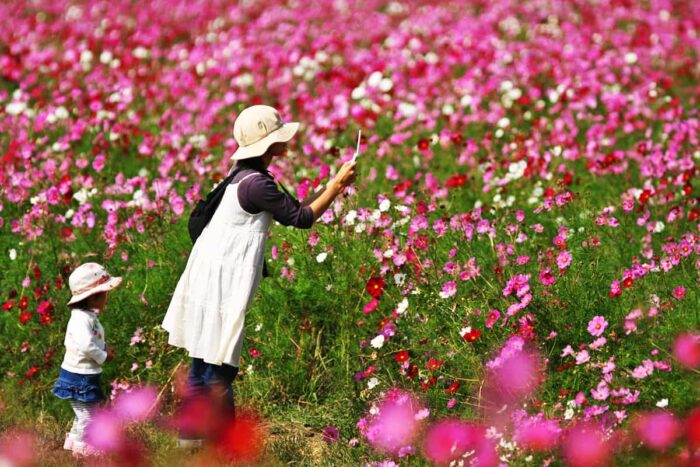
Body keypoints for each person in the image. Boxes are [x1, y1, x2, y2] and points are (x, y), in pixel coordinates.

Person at [162, 105, 357, 445]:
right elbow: (302, 218)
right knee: (220, 368)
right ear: (269, 146)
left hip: (205, 273)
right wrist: (336, 185)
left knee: (201, 362)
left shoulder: (240, 174)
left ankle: (190, 442)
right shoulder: (257, 185)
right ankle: (231, 446)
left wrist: (332, 186)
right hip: (222, 282)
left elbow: (293, 211)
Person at [51, 263, 121, 457]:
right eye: (104, 293)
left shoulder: (87, 316)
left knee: (83, 412)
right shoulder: (80, 319)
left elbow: (93, 340)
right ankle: (82, 447)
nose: (107, 297)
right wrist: (104, 356)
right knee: (88, 415)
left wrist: (104, 347)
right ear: (93, 296)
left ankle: (73, 440)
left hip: (84, 374)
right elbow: (86, 345)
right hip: (79, 376)